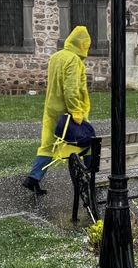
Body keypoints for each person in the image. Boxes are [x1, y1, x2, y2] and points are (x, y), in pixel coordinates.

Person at [22, 25, 92, 196]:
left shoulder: (56, 57)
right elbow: (71, 89)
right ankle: (91, 177)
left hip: (51, 109)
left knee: (47, 145)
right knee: (87, 143)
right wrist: (76, 111)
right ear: (83, 45)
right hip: (68, 113)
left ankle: (33, 178)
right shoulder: (74, 60)